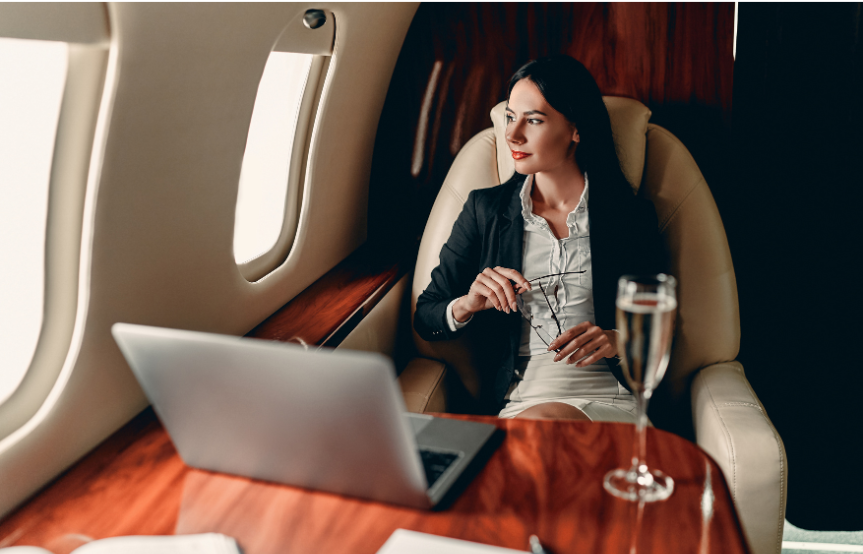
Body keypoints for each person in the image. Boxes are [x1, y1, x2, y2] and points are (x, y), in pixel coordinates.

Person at [414, 55, 666, 421]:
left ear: (576, 129)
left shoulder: (630, 217)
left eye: (533, 120)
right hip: (520, 403)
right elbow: (427, 315)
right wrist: (467, 304)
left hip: (615, 403)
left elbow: (660, 328)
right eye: (511, 117)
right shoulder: (485, 210)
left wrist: (615, 340)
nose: (513, 135)